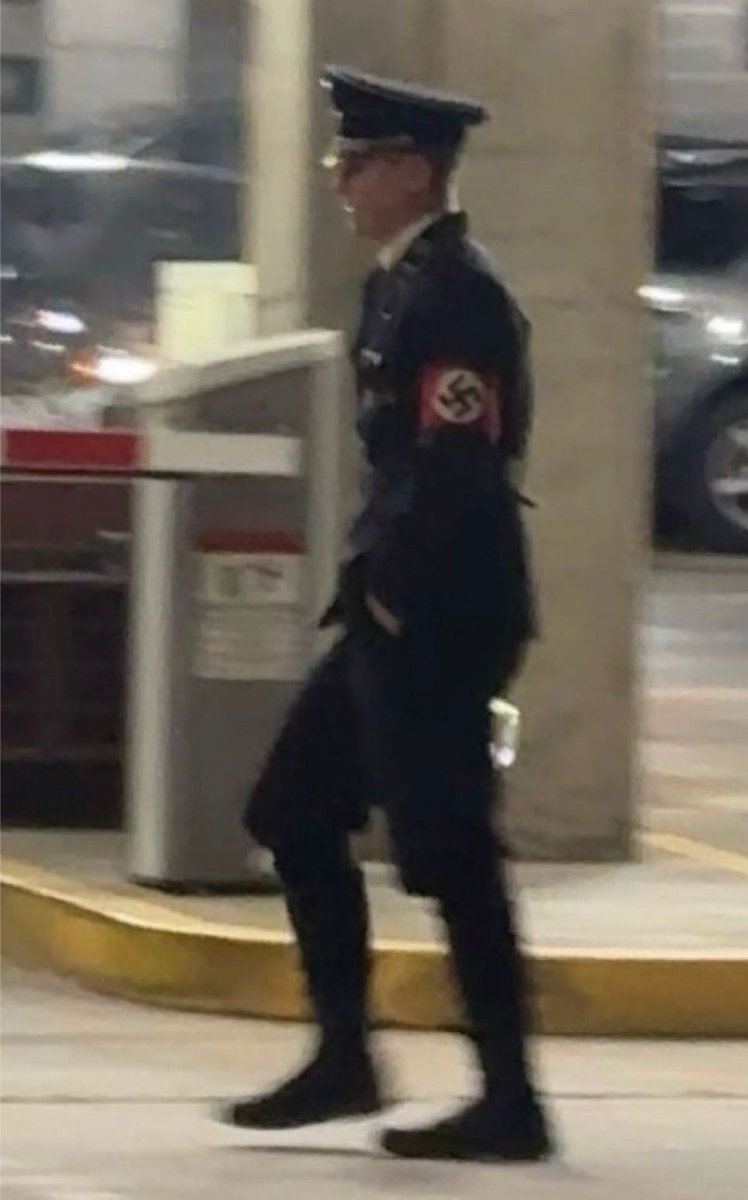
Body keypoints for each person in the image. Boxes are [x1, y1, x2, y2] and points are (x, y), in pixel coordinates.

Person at [220, 64, 552, 1163]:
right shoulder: (399, 284)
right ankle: (344, 1057)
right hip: (394, 602)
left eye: (356, 163)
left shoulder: (458, 295)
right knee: (292, 809)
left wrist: (396, 595)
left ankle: (510, 1101)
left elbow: (453, 463)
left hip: (439, 611)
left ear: (413, 171)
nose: (340, 181)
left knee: (450, 850)